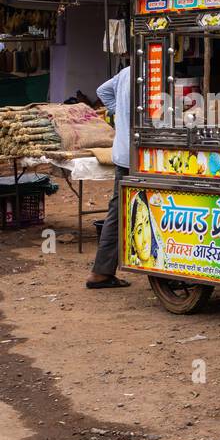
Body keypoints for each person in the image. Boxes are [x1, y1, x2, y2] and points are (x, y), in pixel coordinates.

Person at [87, 65, 132, 289]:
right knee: (120, 212)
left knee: (119, 210)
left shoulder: (126, 71)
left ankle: (102, 271)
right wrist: (121, 114)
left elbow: (102, 90)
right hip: (135, 155)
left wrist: (118, 113)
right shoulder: (149, 73)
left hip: (124, 153)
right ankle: (100, 272)